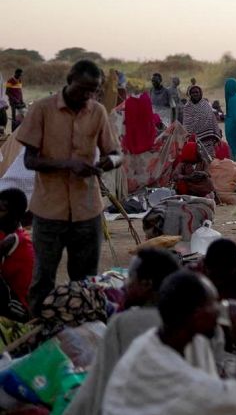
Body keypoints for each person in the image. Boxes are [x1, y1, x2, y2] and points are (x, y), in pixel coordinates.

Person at [102, 270, 236, 415]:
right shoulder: (163, 367)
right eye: (213, 305)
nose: (218, 310)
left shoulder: (157, 342)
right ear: (196, 315)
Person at [16, 60, 122, 313]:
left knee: (86, 282)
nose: (88, 95)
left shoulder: (97, 112)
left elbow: (117, 153)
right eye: (83, 89)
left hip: (87, 210)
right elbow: (30, 160)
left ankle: (82, 333)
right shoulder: (42, 109)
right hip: (49, 211)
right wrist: (68, 164)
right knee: (43, 280)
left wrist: (110, 161)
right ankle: (40, 335)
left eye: (94, 90)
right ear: (69, 80)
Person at [65, 248, 181, 415]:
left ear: (146, 284)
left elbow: (99, 383)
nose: (126, 284)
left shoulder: (124, 324)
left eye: (131, 278)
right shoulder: (185, 319)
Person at [0, 188, 33, 322]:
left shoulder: (13, 241)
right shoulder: (13, 231)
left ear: (12, 214)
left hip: (19, 306)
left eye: (1, 209)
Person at [183, 85, 222, 160]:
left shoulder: (206, 104)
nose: (195, 94)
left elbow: (212, 120)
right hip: (195, 141)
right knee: (198, 159)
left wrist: (217, 131)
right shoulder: (187, 107)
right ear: (190, 94)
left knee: (210, 159)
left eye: (197, 92)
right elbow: (187, 125)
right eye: (193, 92)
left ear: (200, 93)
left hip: (208, 138)